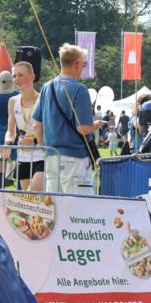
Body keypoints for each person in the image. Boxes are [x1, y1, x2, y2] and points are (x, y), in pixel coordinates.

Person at [32, 44, 101, 194]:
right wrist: (96, 125)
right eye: (83, 64)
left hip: (51, 156)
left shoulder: (46, 87)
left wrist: (44, 149)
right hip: (75, 158)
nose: (83, 68)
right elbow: (83, 129)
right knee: (78, 211)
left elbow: (37, 124)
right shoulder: (79, 89)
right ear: (76, 64)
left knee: (55, 208)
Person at [2, 61, 45, 191]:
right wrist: (7, 145)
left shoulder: (43, 99)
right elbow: (10, 131)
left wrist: (35, 141)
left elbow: (51, 130)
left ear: (32, 76)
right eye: (14, 76)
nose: (17, 79)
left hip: (42, 156)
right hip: (23, 158)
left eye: (20, 75)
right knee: (28, 206)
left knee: (30, 197)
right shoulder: (13, 101)